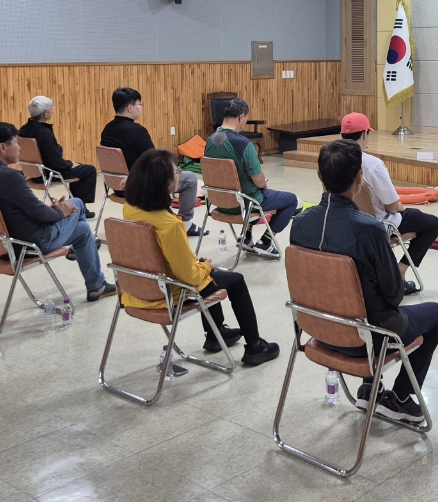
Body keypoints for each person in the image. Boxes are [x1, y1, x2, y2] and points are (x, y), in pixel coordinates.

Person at [290, 140, 438, 424]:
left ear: (319, 176)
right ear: (359, 178)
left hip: (317, 329)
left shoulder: (299, 223)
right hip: (367, 339)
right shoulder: (371, 230)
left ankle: (369, 388)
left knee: (359, 303)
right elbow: (394, 295)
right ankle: (401, 397)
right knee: (436, 314)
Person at [121, 148, 279, 366]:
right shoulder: (170, 225)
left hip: (137, 287)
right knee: (234, 279)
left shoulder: (129, 209)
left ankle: (215, 334)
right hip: (169, 291)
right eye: (176, 171)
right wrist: (205, 266)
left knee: (210, 274)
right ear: (166, 184)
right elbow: (190, 277)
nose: (179, 173)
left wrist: (200, 267)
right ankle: (255, 347)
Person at [0, 121, 116, 302]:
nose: (19, 148)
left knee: (81, 225)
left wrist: (54, 209)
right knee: (79, 211)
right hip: (29, 243)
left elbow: (25, 209)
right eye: (15, 142)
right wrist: (61, 212)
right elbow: (41, 215)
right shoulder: (10, 177)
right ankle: (94, 281)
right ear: (3, 147)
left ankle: (91, 273)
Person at [339, 112, 438, 294]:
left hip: (345, 223)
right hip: (378, 225)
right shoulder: (373, 164)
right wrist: (400, 206)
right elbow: (392, 206)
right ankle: (400, 270)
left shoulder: (331, 160)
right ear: (365, 134)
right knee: (432, 223)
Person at [101, 87, 206, 237]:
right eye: (140, 104)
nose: (141, 108)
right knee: (190, 179)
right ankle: (186, 224)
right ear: (130, 107)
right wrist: (176, 170)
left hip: (118, 185)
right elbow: (157, 163)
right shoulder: (137, 131)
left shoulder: (107, 130)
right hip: (140, 187)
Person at [205, 98, 297, 256]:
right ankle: (265, 242)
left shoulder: (209, 141)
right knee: (291, 200)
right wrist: (264, 186)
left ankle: (246, 237)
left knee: (248, 191)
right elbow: (258, 179)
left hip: (218, 202)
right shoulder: (243, 144)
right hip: (244, 204)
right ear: (241, 117)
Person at [19, 96, 98, 215]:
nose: (53, 109)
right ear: (46, 114)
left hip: (33, 172)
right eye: (52, 108)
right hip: (48, 173)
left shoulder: (23, 129)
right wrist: (70, 164)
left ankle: (77, 206)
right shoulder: (44, 132)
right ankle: (79, 209)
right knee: (89, 170)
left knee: (80, 168)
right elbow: (57, 162)